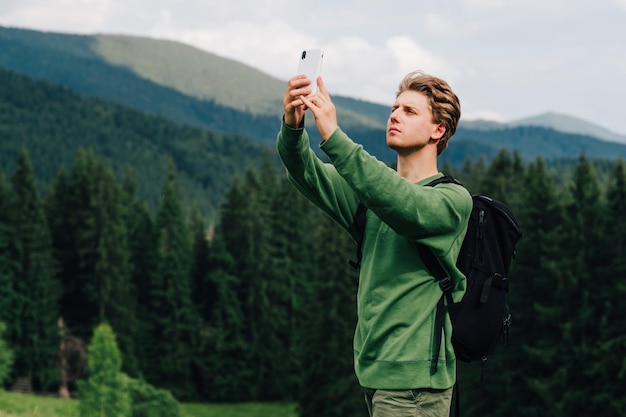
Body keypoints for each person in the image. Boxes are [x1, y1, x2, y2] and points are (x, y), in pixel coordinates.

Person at [277, 69, 472, 417]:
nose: (395, 115)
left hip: (415, 385)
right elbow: (306, 172)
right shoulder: (369, 195)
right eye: (394, 108)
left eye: (410, 111)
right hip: (376, 376)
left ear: (438, 130)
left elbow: (404, 205)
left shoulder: (452, 201)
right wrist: (293, 128)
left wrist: (334, 137)